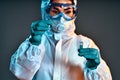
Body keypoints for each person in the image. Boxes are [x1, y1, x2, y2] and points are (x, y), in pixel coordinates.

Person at [10, 0, 112, 80]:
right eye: (55, 11)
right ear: (45, 11)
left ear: (74, 13)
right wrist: (34, 43)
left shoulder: (86, 44)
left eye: (67, 12)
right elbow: (21, 74)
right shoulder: (34, 43)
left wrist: (94, 68)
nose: (62, 17)